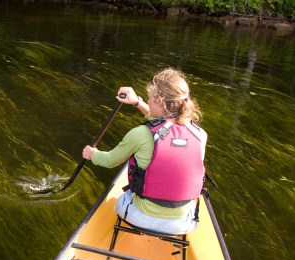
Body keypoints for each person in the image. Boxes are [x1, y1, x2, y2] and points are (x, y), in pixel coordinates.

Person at [82, 68, 207, 235]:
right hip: (182, 224)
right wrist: (137, 102)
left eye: (149, 98)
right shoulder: (200, 135)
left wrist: (91, 154)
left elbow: (110, 161)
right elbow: (165, 127)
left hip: (141, 218)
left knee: (119, 199)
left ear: (159, 100)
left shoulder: (140, 134)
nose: (147, 101)